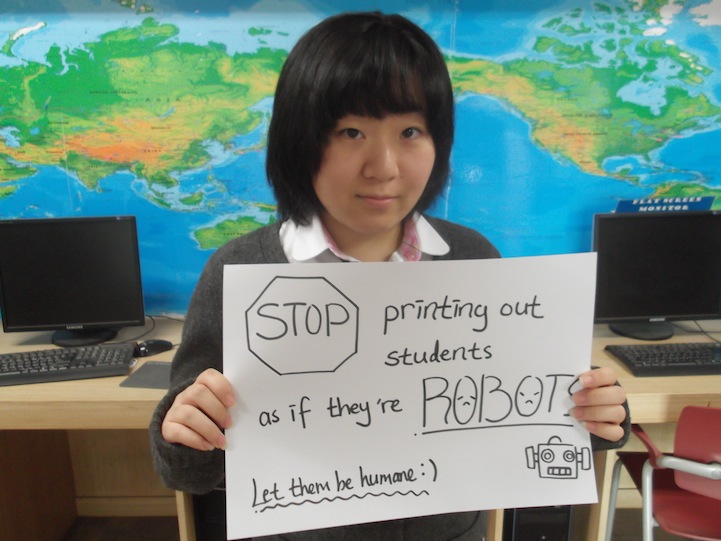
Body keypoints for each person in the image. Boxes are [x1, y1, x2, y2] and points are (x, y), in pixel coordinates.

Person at [149, 11, 630, 540]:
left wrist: (596, 415)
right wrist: (183, 431)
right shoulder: (239, 271)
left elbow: (529, 410)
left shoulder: (472, 260)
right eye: (351, 132)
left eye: (410, 132)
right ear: (300, 141)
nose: (383, 167)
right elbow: (186, 469)